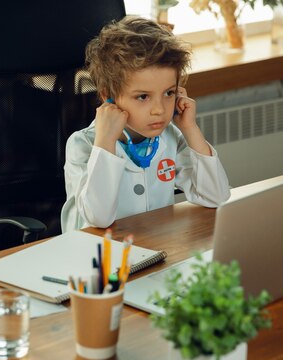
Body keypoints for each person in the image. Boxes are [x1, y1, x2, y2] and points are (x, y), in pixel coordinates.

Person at [61, 16, 230, 232]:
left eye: (169, 93)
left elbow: (216, 195)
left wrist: (190, 129)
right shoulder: (82, 145)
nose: (159, 109)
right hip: (96, 258)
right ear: (108, 97)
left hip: (153, 250)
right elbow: (99, 218)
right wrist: (104, 142)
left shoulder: (170, 137)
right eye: (143, 97)